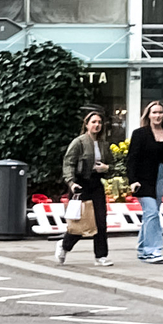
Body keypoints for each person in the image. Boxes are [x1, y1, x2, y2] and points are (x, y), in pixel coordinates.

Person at [126, 99, 163, 265]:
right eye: (154, 112)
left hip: (162, 177)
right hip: (144, 179)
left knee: (150, 214)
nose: (158, 115)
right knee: (151, 212)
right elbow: (132, 159)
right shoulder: (140, 134)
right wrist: (132, 180)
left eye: (160, 112)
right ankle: (153, 250)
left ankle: (143, 250)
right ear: (148, 115)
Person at [56, 110, 111, 267]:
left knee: (101, 221)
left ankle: (101, 256)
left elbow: (111, 165)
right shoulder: (79, 142)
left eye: (99, 122)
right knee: (82, 223)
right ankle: (64, 245)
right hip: (81, 184)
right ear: (86, 124)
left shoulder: (104, 144)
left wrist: (106, 168)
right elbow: (69, 163)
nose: (97, 125)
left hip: (96, 183)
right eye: (93, 122)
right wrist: (71, 182)